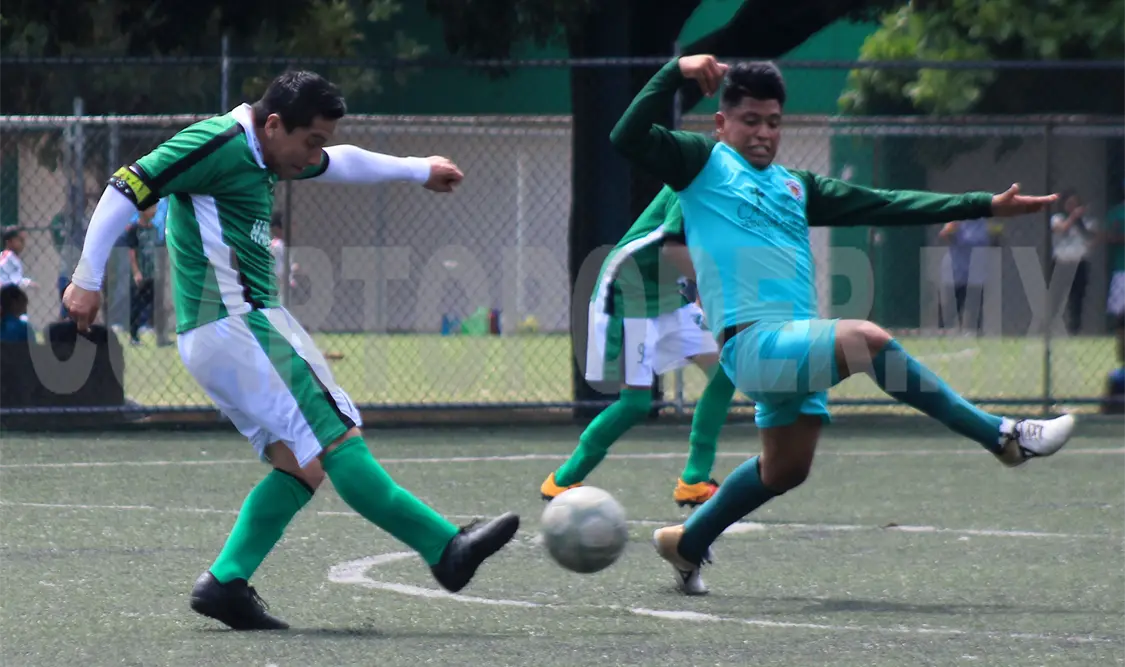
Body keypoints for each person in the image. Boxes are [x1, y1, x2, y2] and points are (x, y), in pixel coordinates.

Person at [63, 70, 520, 630]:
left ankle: (226, 582)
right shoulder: (219, 142)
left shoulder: (265, 150)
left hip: (227, 332)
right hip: (240, 325)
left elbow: (343, 161)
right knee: (337, 438)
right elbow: (124, 187)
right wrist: (86, 279)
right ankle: (446, 550)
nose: (313, 156)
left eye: (319, 143)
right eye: (310, 142)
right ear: (274, 124)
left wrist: (416, 169)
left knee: (301, 463)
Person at [609, 54, 1076, 595]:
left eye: (774, 122)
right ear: (721, 123)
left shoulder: (793, 186)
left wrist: (985, 206)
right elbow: (626, 136)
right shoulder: (700, 164)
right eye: (750, 121)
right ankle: (1004, 437)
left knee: (785, 470)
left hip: (791, 347)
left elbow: (886, 203)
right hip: (753, 346)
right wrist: (676, 71)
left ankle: (686, 542)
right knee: (867, 341)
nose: (764, 133)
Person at [541, 185, 736, 507]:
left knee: (724, 374)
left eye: (772, 128)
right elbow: (672, 250)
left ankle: (694, 480)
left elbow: (703, 251)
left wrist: (705, 300)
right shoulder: (696, 179)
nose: (763, 135)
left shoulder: (737, 192)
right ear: (722, 132)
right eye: (754, 129)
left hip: (668, 295)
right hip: (628, 293)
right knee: (635, 404)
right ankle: (562, 480)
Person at [1049, 191, 1095, 335]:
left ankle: (1074, 329)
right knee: (1056, 297)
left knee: (1077, 298)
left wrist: (1080, 222)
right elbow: (1060, 229)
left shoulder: (1087, 222)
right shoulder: (1057, 218)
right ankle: (1050, 327)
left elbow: (1092, 241)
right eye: (1069, 204)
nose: (1072, 207)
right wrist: (1073, 217)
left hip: (1079, 262)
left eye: (1075, 204)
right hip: (1061, 262)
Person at [125, 206, 159, 344]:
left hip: (152, 272)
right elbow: (132, 253)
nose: (154, 210)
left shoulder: (154, 230)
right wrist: (136, 272)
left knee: (152, 303)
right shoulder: (134, 230)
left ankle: (149, 327)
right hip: (139, 275)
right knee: (136, 304)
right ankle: (133, 336)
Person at [0, 226, 36, 290]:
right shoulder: (8, 257)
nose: (23, 244)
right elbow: (14, 280)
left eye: (23, 240)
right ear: (9, 242)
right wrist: (27, 282)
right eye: (20, 240)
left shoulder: (11, 257)